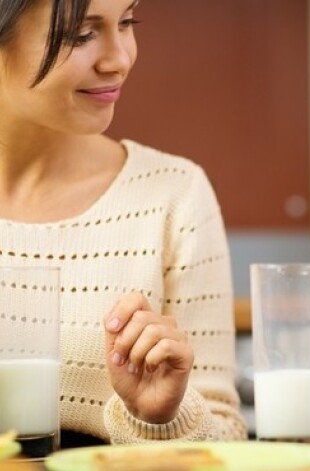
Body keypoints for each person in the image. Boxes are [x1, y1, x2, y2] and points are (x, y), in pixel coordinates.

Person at [0, 0, 246, 444]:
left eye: (127, 22)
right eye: (80, 34)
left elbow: (225, 439)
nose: (119, 60)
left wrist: (161, 417)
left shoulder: (174, 195)